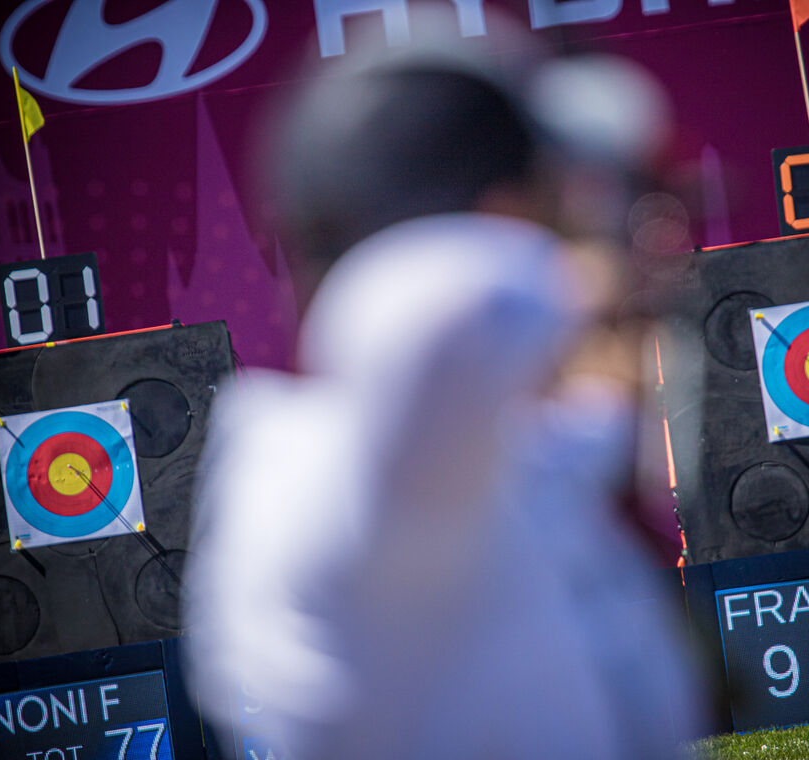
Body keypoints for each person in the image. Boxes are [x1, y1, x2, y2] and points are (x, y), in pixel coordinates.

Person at [182, 7, 710, 758]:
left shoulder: (486, 468)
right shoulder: (325, 479)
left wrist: (605, 355)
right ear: (501, 217)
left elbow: (572, 426)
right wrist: (592, 275)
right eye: (553, 207)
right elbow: (423, 315)